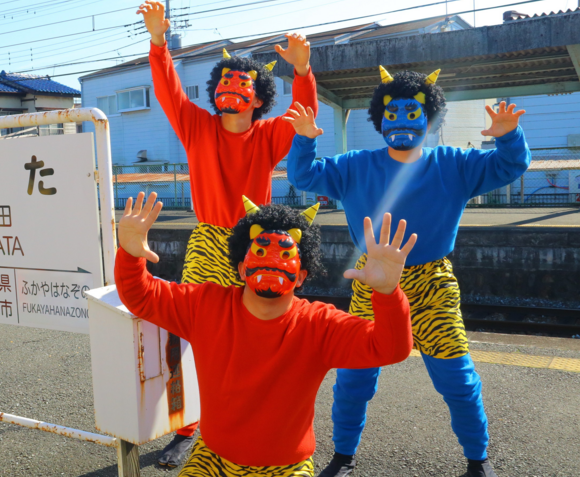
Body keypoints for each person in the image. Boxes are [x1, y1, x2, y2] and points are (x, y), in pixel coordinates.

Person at [284, 66, 531, 477]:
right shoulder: (355, 166)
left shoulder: (454, 163)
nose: (401, 121)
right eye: (392, 113)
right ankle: (343, 456)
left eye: (412, 112)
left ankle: (478, 460)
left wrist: (508, 135)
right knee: (354, 378)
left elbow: (509, 166)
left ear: (429, 117)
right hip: (371, 280)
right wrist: (305, 139)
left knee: (457, 379)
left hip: (432, 282)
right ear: (380, 119)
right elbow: (303, 175)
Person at [115, 191, 417, 477]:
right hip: (213, 456)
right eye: (260, 251)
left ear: (301, 276)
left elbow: (389, 347)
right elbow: (142, 296)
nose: (272, 261)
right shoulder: (205, 305)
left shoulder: (318, 323)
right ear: (242, 268)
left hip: (287, 466)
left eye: (285, 254)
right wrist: (129, 253)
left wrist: (388, 293)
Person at [137, 0, 319, 465]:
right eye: (225, 82)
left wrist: (303, 70)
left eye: (242, 84)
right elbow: (168, 92)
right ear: (215, 91)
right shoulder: (196, 125)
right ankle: (188, 428)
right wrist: (158, 42)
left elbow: (303, 117)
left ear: (258, 97)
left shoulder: (269, 134)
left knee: (255, 337)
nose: (230, 89)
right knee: (190, 333)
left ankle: (244, 424)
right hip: (207, 239)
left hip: (255, 246)